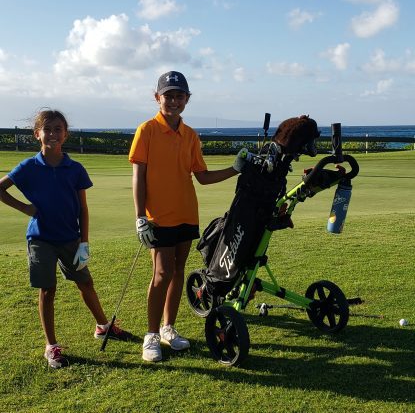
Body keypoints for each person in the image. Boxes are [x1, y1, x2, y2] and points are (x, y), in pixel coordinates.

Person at [0, 109, 132, 369]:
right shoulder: (28, 166)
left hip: (70, 238)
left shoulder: (75, 168)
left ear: (66, 133)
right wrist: (24, 208)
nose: (52, 134)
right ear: (37, 134)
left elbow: (83, 208)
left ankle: (103, 326)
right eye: (47, 129)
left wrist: (84, 241)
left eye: (58, 129)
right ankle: (51, 346)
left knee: (86, 283)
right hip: (41, 238)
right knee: (48, 289)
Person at [129, 71, 246, 362]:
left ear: (187, 100)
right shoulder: (146, 130)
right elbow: (138, 177)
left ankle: (169, 328)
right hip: (157, 217)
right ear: (157, 98)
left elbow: (202, 177)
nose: (173, 100)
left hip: (185, 213)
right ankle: (151, 335)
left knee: (178, 271)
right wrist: (140, 216)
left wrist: (235, 168)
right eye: (168, 95)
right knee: (161, 274)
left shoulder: (190, 135)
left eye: (179, 96)